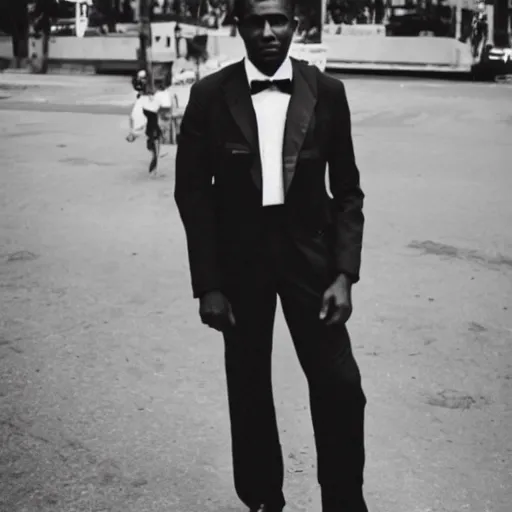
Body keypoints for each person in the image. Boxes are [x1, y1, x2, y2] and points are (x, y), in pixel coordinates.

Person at [174, 1, 368, 511]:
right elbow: (192, 194)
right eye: (256, 21)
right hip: (241, 262)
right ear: (238, 27)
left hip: (311, 259)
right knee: (249, 383)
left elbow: (347, 190)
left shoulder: (327, 92)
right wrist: (209, 283)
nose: (267, 32)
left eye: (277, 20)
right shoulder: (209, 96)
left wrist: (345, 272)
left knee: (340, 384)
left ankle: (345, 500)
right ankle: (263, 499)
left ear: (294, 25)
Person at [126, 69, 171, 173]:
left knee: (153, 130)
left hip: (153, 108)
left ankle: (155, 151)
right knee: (151, 129)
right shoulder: (144, 88)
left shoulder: (158, 90)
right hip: (150, 108)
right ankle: (154, 148)